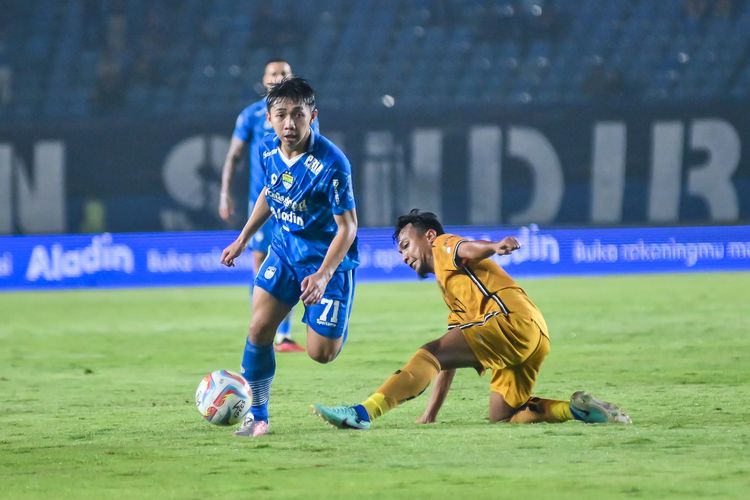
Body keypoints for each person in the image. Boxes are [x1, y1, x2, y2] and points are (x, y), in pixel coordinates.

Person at [313, 209, 631, 429]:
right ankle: (576, 409)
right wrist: (431, 414)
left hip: (509, 322)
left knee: (431, 351)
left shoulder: (442, 244)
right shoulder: (454, 291)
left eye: (407, 245)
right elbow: (447, 362)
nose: (404, 256)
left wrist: (493, 246)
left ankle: (364, 412)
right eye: (399, 252)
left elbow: (466, 248)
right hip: (533, 333)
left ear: (429, 235)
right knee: (503, 416)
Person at [221, 77, 359, 437]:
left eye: (298, 114)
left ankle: (333, 314)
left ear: (312, 116)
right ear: (268, 118)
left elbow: (348, 228)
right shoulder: (268, 149)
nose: (289, 123)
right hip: (283, 251)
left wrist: (326, 275)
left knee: (321, 353)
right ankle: (257, 414)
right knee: (258, 328)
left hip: (325, 262)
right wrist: (243, 239)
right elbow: (270, 191)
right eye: (281, 114)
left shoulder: (333, 164)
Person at [219, 59, 319, 353]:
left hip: (293, 201)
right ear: (264, 80)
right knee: (261, 267)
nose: (278, 77)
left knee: (291, 262)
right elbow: (234, 155)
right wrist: (224, 192)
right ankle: (262, 327)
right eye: (273, 74)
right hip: (261, 200)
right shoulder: (251, 116)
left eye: (284, 74)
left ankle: (283, 335)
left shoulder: (302, 114)